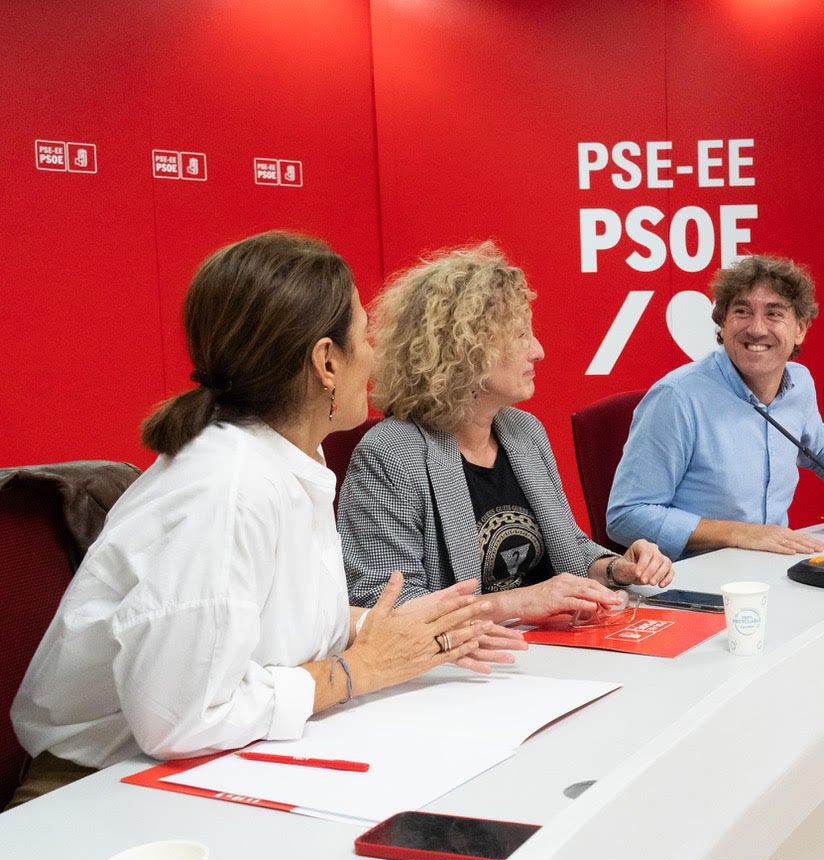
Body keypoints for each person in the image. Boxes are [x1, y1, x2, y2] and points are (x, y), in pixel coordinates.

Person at [9, 231, 525, 805]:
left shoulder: (284, 459)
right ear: (326, 362)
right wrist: (363, 668)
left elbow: (260, 626)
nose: (375, 356)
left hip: (184, 771)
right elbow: (180, 720)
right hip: (97, 793)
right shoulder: (226, 490)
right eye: (363, 336)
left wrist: (388, 629)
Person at [339, 243, 673, 623]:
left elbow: (567, 547)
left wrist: (614, 568)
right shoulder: (392, 453)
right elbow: (381, 601)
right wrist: (517, 604)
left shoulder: (524, 431)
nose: (539, 350)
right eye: (520, 335)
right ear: (465, 350)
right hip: (467, 666)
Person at [605, 254, 824, 562]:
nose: (757, 328)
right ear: (722, 324)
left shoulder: (799, 383)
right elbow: (626, 516)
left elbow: (822, 447)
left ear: (800, 329)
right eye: (741, 312)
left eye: (774, 314)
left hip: (772, 567)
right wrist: (741, 533)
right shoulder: (677, 398)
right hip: (694, 579)